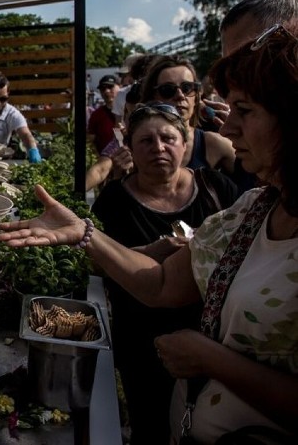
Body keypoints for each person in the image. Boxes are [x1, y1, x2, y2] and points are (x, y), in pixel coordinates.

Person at [0, 23, 298, 444]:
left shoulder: (226, 192)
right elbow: (158, 284)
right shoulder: (252, 211)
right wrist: (84, 232)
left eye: (244, 111)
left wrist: (211, 359)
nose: (227, 130)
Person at [92, 102, 238, 445]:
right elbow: (97, 262)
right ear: (130, 148)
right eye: (146, 141)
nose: (158, 147)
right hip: (143, 343)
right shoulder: (114, 200)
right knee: (151, 427)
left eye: (168, 138)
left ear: (185, 145)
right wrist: (150, 253)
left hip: (214, 340)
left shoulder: (217, 188)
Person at [139, 55, 237, 177]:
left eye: (187, 88)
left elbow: (253, 187)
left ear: (196, 96)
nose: (180, 95)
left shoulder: (215, 144)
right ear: (153, 96)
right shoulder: (137, 145)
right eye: (168, 89)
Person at [87, 73, 120, 155]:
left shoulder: (128, 110)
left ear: (119, 87)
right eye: (103, 89)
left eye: (110, 87)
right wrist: (98, 157)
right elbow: (90, 140)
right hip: (105, 160)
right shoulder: (96, 115)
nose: (106, 91)